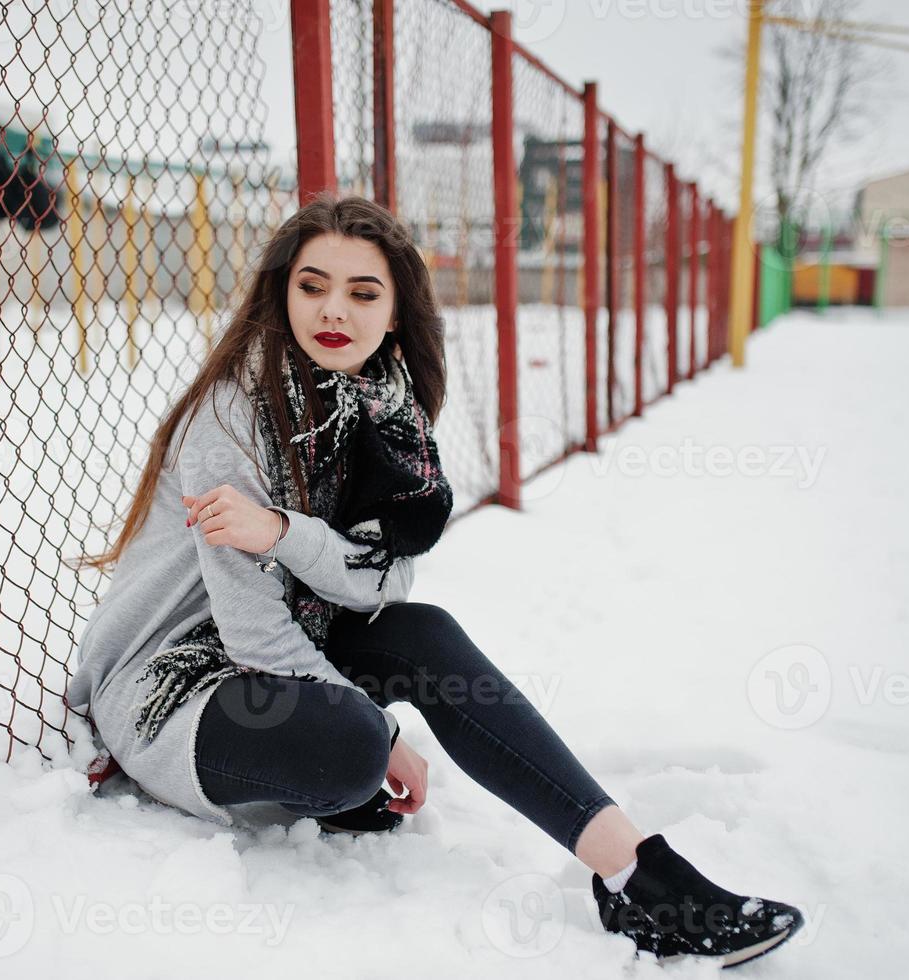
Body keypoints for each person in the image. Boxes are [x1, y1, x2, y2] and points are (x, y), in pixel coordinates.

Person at [66, 192, 805, 967]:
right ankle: (334, 771)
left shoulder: (382, 414)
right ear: (280, 293)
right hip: (173, 686)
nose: (333, 312)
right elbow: (251, 630)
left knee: (427, 636)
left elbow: (383, 588)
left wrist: (287, 534)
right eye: (312, 285)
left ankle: (636, 874)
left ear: (393, 314)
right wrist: (384, 734)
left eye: (362, 293)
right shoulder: (231, 419)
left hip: (283, 653)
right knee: (350, 746)